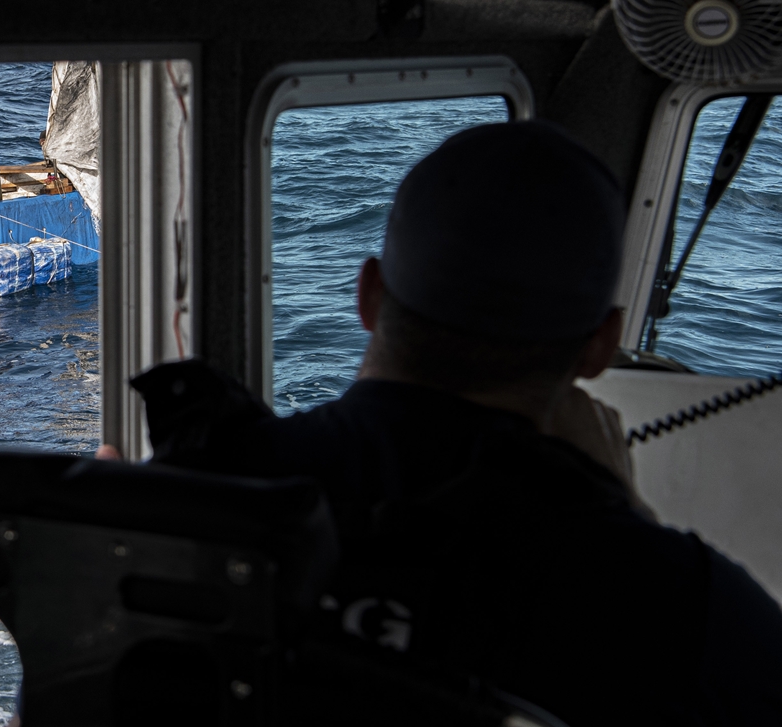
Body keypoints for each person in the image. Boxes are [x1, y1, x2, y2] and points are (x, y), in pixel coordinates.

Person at [127, 121, 782, 725]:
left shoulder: (178, 508)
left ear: (369, 295)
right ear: (600, 345)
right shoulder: (676, 602)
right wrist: (626, 512)